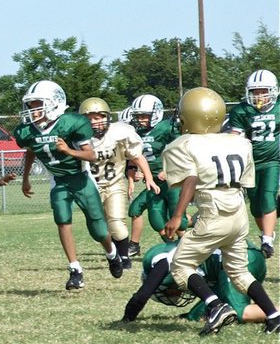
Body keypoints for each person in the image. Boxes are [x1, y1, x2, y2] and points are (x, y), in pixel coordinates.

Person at [161, 86, 280, 335]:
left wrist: (176, 216)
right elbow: (246, 182)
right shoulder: (238, 141)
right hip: (237, 210)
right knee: (238, 271)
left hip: (213, 210)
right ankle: (273, 315)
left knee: (182, 265)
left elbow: (191, 180)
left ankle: (215, 306)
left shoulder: (184, 144)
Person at [14, 80, 124, 290]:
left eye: (37, 104)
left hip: (80, 178)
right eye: (30, 105)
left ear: (54, 103)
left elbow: (91, 155)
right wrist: (26, 178)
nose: (32, 110)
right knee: (62, 220)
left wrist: (68, 151)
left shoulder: (71, 123)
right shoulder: (27, 131)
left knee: (99, 230)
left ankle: (112, 253)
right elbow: (30, 150)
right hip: (59, 181)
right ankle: (75, 269)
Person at [78, 97, 160, 270]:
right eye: (89, 118)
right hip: (90, 188)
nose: (95, 122)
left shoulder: (120, 133)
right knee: (98, 228)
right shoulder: (77, 139)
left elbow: (137, 156)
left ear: (107, 117)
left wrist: (149, 177)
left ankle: (123, 256)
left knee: (116, 222)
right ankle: (113, 254)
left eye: (99, 117)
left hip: (115, 183)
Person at [121, 240, 270, 326]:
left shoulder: (160, 260)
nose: (175, 292)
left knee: (239, 312)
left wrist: (128, 317)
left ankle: (274, 313)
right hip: (244, 256)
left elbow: (142, 295)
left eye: (171, 290)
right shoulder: (168, 253)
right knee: (197, 315)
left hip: (238, 259)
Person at [227, 69, 279, 258]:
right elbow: (234, 135)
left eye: (263, 91)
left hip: (273, 160)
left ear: (273, 90)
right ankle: (268, 233)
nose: (259, 95)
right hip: (250, 163)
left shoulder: (279, 107)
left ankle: (267, 241)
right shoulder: (242, 110)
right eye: (255, 92)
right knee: (256, 206)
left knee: (266, 198)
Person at [127, 94, 186, 244]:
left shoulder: (166, 127)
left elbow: (180, 150)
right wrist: (133, 175)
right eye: (138, 116)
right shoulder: (135, 133)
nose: (140, 120)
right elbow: (133, 158)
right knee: (157, 221)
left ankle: (189, 244)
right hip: (153, 183)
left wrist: (168, 169)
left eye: (144, 116)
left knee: (179, 220)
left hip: (172, 181)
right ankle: (172, 247)